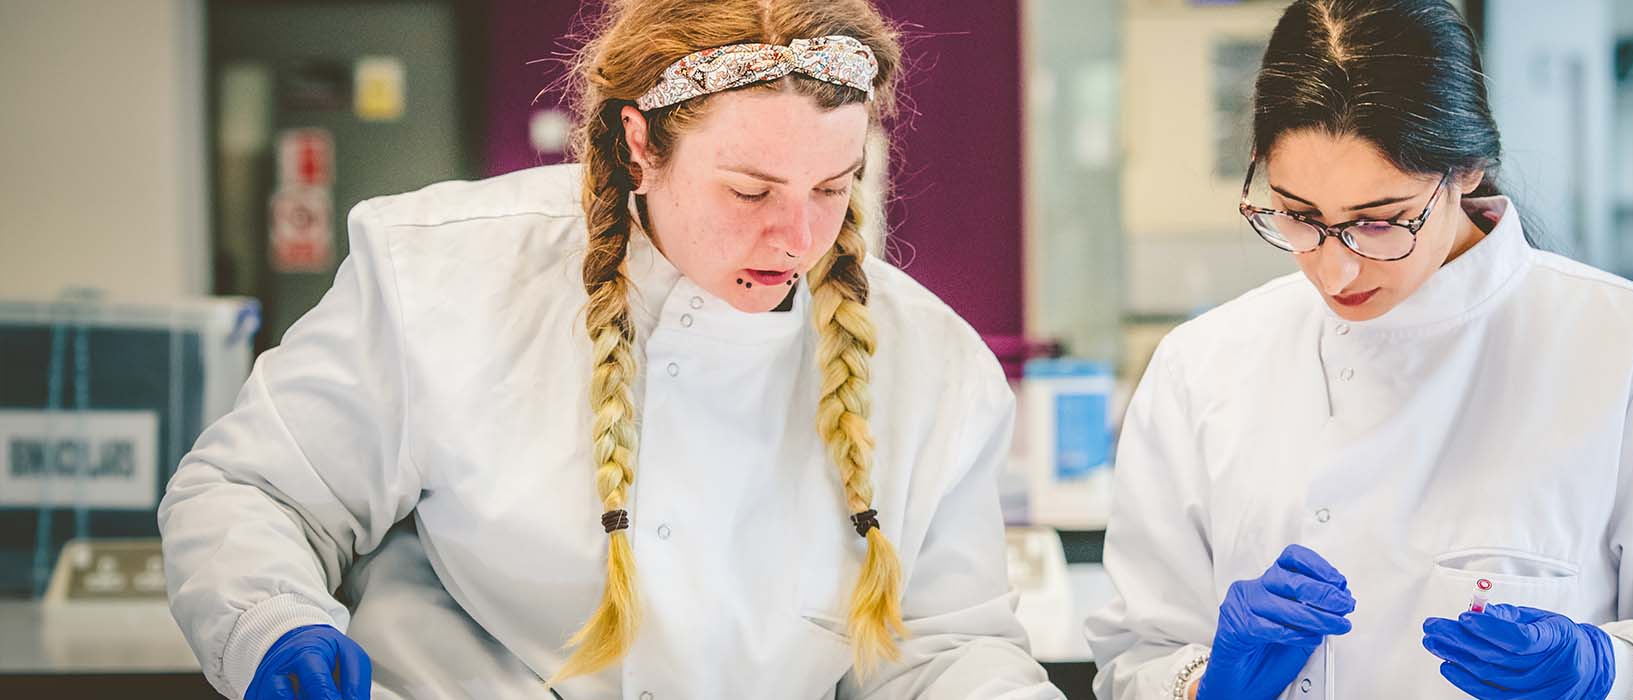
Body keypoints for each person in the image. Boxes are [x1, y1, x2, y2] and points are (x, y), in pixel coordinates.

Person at [157, 1, 1060, 697]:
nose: (798, 238)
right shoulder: (446, 274)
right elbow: (252, 491)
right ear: (639, 144)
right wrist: (272, 623)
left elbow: (946, 649)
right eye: (750, 191)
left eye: (834, 186)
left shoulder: (929, 367)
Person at [1084, 1, 1633, 698]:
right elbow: (1135, 658)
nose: (1335, 271)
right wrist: (1203, 686)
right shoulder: (1201, 365)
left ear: (1468, 169)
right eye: (1298, 216)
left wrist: (1612, 672)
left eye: (1381, 220)